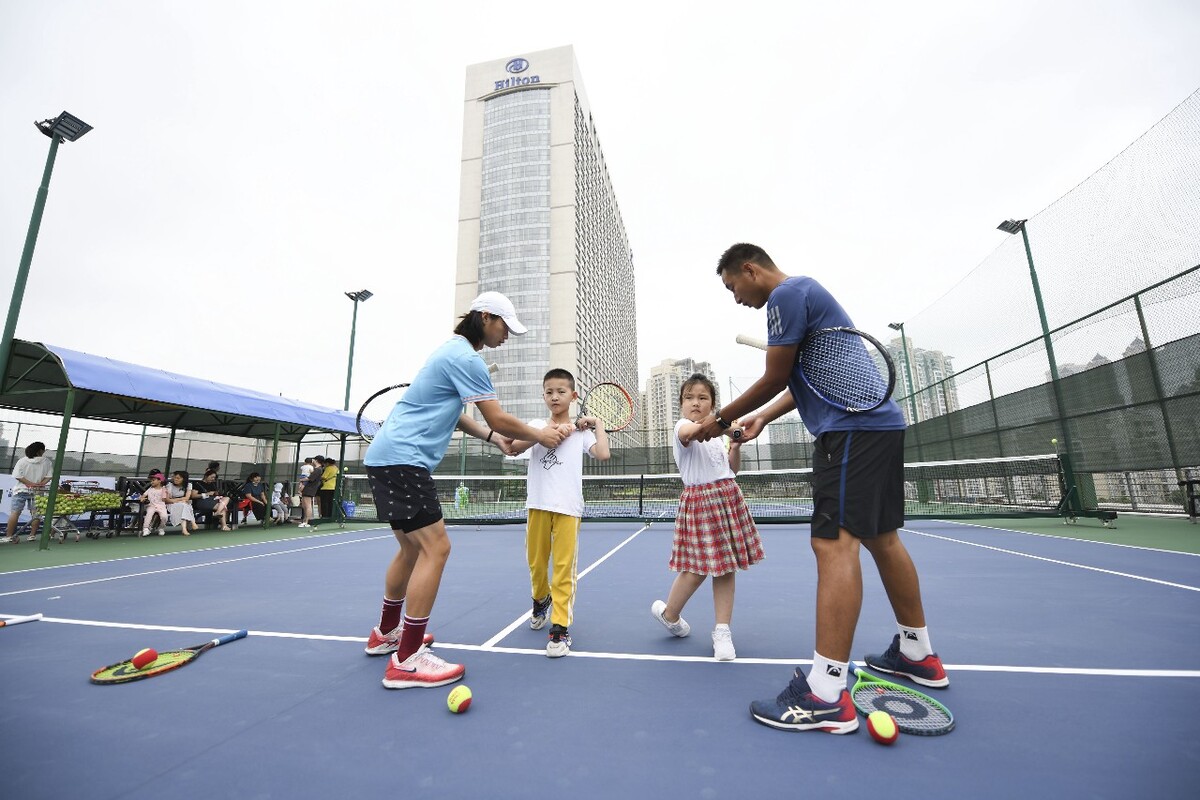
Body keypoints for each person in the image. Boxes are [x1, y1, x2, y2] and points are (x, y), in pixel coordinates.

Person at [696, 243, 947, 734]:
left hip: (849, 432)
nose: (735, 298)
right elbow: (800, 379)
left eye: (733, 287)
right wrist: (762, 416)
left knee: (831, 545)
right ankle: (918, 653)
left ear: (750, 269)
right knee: (881, 538)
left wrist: (718, 419)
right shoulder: (805, 294)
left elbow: (774, 373)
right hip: (876, 428)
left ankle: (825, 693)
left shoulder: (786, 295)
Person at [362, 291, 569, 690]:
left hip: (385, 458)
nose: (507, 335)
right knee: (436, 548)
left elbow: (457, 415)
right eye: (504, 327)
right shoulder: (467, 358)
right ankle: (406, 660)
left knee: (410, 549)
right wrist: (538, 434)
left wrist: (495, 439)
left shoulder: (450, 352)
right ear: (486, 317)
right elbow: (499, 415)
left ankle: (386, 635)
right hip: (405, 460)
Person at [650, 374, 763, 661]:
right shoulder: (682, 427)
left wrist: (735, 446)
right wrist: (727, 426)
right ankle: (670, 614)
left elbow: (731, 470)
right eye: (689, 397)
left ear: (712, 403)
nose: (696, 403)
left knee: (726, 568)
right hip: (700, 501)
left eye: (702, 398)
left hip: (727, 496)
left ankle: (721, 631)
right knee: (696, 570)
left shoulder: (717, 437)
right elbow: (692, 433)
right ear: (681, 404)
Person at [500, 368, 611, 658]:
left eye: (561, 391)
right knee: (537, 565)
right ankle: (540, 600)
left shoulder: (582, 433)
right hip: (537, 506)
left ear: (573, 396)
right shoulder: (536, 424)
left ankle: (560, 627)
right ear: (544, 396)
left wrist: (596, 423)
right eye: (549, 391)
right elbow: (512, 449)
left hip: (568, 509)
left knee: (563, 570)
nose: (555, 396)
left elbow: (603, 454)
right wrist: (543, 435)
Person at [5, 442, 52, 544]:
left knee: (15, 513)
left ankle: (8, 536)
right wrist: (39, 484)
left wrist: (30, 484)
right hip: (38, 491)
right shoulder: (47, 462)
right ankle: (32, 535)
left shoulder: (22, 461)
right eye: (43, 450)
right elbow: (49, 476)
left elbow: (18, 476)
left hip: (21, 490)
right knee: (36, 514)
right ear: (40, 450)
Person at [165, 471, 201, 536]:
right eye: (175, 478)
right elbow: (168, 500)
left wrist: (181, 500)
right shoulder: (169, 485)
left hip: (183, 503)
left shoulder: (188, 485)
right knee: (184, 505)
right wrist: (179, 500)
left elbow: (187, 498)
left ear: (183, 479)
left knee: (184, 505)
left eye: (178, 478)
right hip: (171, 504)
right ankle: (193, 522)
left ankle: (184, 529)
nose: (175, 479)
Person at [139, 472, 170, 537]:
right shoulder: (150, 489)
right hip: (151, 505)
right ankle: (145, 528)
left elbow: (164, 499)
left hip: (161, 506)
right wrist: (142, 498)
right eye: (151, 481)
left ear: (159, 481)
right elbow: (143, 495)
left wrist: (166, 494)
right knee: (149, 515)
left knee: (164, 516)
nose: (151, 482)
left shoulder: (163, 489)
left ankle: (161, 528)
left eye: (153, 480)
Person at [298, 456, 324, 527]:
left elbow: (310, 478)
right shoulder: (316, 469)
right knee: (304, 505)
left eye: (314, 460)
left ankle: (307, 521)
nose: (313, 461)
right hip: (308, 488)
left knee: (308, 505)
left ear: (316, 460)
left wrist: (302, 480)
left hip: (310, 488)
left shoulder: (318, 469)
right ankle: (305, 520)